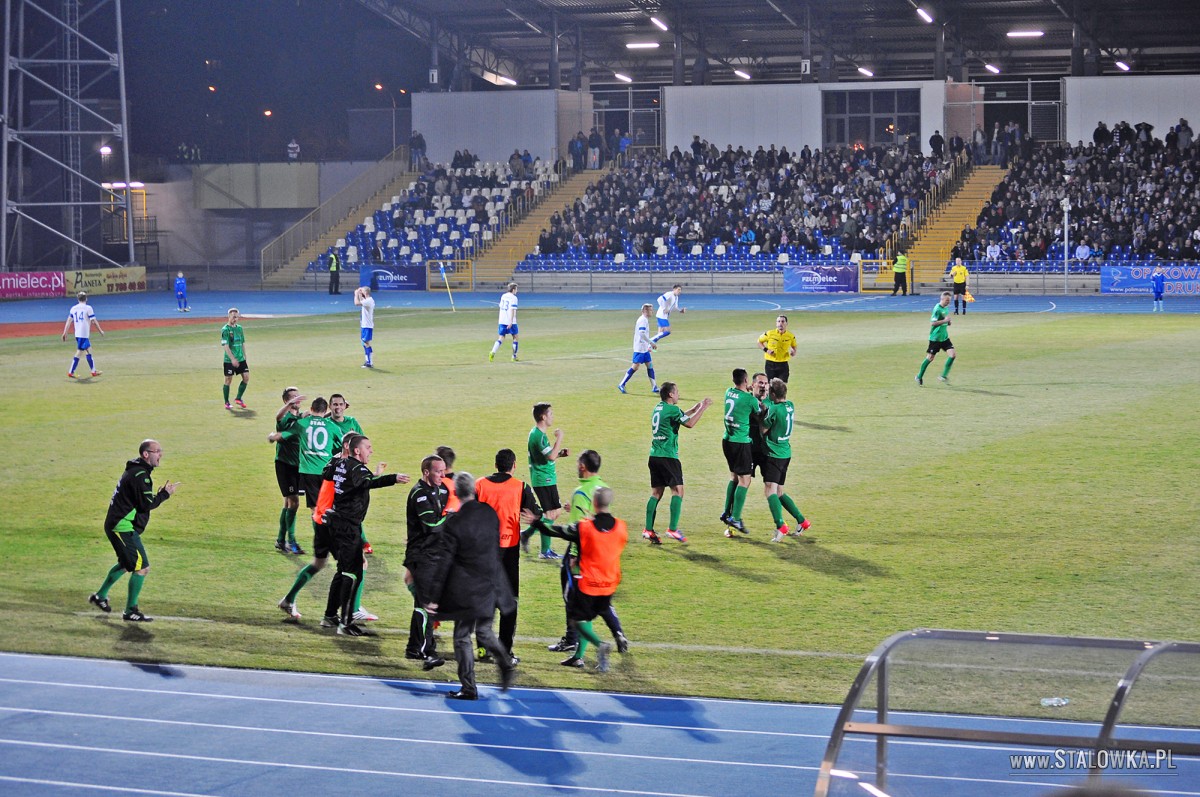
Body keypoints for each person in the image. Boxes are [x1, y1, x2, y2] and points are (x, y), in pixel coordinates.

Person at [424, 473, 518, 700]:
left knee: (462, 637)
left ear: (455, 492)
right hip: (491, 583)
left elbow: (444, 561)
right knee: (484, 632)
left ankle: (468, 688)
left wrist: (433, 595)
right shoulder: (489, 513)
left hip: (468, 588)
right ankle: (505, 663)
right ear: (474, 491)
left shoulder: (454, 522)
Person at [524, 487, 628, 672]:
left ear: (594, 503)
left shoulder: (584, 527)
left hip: (589, 584)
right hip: (610, 583)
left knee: (577, 620)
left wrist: (537, 523)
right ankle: (585, 652)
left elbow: (557, 531)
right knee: (603, 609)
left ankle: (600, 645)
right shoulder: (621, 527)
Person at [322, 434, 406, 636]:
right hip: (347, 526)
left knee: (343, 571)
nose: (371, 450)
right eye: (368, 447)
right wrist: (392, 478)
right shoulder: (356, 468)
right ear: (357, 450)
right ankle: (345, 622)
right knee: (354, 572)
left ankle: (330, 615)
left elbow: (326, 473)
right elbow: (367, 482)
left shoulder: (341, 463)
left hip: (337, 523)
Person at [89, 439, 179, 622]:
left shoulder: (136, 470)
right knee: (142, 568)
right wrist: (165, 495)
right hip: (122, 527)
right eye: (157, 451)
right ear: (146, 454)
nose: (160, 454)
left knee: (126, 563)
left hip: (119, 524)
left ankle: (100, 596)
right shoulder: (140, 476)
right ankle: (131, 610)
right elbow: (146, 505)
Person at [550, 450, 629, 655]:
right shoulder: (602, 487)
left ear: (583, 466)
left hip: (580, 550)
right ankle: (614, 633)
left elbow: (579, 529)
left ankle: (571, 641)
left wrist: (574, 556)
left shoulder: (581, 491)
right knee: (601, 600)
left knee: (573, 598)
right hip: (603, 550)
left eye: (578, 463)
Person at [476, 448, 541, 661]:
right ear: (514, 465)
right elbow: (536, 514)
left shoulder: (479, 485)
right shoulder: (521, 487)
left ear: (496, 465)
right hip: (509, 552)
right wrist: (533, 518)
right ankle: (504, 652)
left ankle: (483, 649)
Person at [645, 383, 712, 544]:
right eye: (676, 392)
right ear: (670, 395)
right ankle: (672, 529)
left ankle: (648, 530)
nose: (678, 394)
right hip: (668, 456)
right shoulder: (673, 410)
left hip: (654, 456)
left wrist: (694, 409)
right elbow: (688, 423)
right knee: (678, 491)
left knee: (656, 493)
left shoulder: (659, 408)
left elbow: (679, 417)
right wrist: (703, 408)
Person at [404, 454, 450, 668]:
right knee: (426, 605)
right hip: (421, 556)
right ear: (425, 472)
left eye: (443, 470)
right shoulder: (420, 494)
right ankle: (425, 650)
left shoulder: (442, 490)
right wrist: (451, 518)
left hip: (434, 555)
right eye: (438, 471)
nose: (442, 474)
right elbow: (432, 525)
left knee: (425, 604)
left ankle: (416, 647)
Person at [761, 379, 811, 542]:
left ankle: (780, 525)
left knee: (770, 490)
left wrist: (760, 415)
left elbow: (763, 429)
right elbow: (775, 405)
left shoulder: (774, 410)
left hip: (774, 454)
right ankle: (802, 521)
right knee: (779, 491)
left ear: (774, 394)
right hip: (785, 453)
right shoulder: (790, 405)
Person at [720, 368, 760, 535]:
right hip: (741, 443)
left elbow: (739, 395)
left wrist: (746, 389)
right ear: (746, 381)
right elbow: (760, 413)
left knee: (734, 477)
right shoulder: (750, 400)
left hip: (727, 441)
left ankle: (726, 512)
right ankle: (735, 517)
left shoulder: (728, 392)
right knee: (745, 480)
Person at [525, 402, 566, 560]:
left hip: (545, 477)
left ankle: (527, 534)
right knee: (551, 513)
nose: (552, 416)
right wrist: (560, 438)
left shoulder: (537, 434)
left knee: (554, 513)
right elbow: (551, 456)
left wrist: (560, 453)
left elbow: (549, 455)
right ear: (543, 416)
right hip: (543, 479)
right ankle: (545, 551)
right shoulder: (538, 436)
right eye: (550, 414)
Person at [271, 387, 304, 554]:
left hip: (298, 465)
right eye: (292, 397)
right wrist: (289, 405)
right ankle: (291, 541)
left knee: (288, 503)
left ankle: (280, 540)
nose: (297, 399)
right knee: (294, 502)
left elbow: (316, 418)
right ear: (286, 401)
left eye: (297, 396)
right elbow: (278, 416)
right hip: (285, 465)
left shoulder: (301, 416)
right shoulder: (284, 417)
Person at [916, 291, 955, 385]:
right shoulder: (937, 309)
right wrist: (944, 320)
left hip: (944, 337)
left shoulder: (945, 308)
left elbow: (944, 321)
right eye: (947, 300)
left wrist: (948, 322)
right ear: (942, 299)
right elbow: (932, 323)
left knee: (952, 355)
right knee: (930, 358)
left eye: (949, 300)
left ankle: (943, 376)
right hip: (935, 338)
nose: (948, 302)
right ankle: (919, 376)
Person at [62, 291, 105, 378]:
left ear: (78, 299)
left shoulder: (73, 308)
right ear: (86, 298)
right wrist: (100, 330)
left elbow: (69, 321)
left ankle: (72, 372)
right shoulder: (88, 308)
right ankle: (93, 371)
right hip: (84, 334)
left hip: (77, 334)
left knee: (81, 352)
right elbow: (93, 321)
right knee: (87, 351)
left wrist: (65, 332)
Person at [618, 303, 658, 394]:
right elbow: (642, 333)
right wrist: (651, 343)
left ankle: (654, 386)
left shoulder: (645, 320)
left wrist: (648, 345)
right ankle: (622, 384)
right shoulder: (642, 320)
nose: (652, 312)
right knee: (635, 367)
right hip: (639, 348)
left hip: (644, 348)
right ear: (645, 311)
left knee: (650, 365)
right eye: (651, 310)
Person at [220, 308, 249, 410]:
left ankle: (238, 398)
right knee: (228, 380)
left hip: (240, 358)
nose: (235, 319)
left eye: (236, 317)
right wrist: (232, 359)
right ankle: (226, 402)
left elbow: (242, 342)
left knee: (246, 377)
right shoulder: (225, 330)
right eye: (233, 317)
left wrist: (245, 356)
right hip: (229, 360)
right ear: (229, 317)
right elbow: (226, 346)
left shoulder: (240, 328)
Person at [757, 314, 797, 384]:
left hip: (783, 364)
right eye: (778, 321)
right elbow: (759, 342)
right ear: (776, 323)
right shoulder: (769, 333)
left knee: (782, 387)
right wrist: (766, 350)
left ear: (786, 323)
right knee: (770, 386)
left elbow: (794, 346)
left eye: (782, 321)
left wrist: (794, 352)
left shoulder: (790, 336)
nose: (780, 323)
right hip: (770, 364)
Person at [489, 282, 520, 362]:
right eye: (516, 289)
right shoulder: (514, 298)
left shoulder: (503, 296)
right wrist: (510, 321)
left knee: (501, 337)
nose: (517, 291)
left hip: (502, 320)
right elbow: (512, 309)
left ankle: (492, 352)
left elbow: (501, 306)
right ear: (513, 289)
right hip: (510, 321)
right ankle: (514, 356)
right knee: (515, 337)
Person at [354, 286, 375, 368]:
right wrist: (359, 295)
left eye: (362, 291)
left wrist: (356, 295)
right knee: (364, 343)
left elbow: (356, 303)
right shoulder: (367, 300)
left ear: (365, 292)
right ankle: (368, 361)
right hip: (364, 325)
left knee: (366, 343)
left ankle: (369, 362)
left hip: (367, 326)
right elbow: (362, 301)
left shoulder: (369, 301)